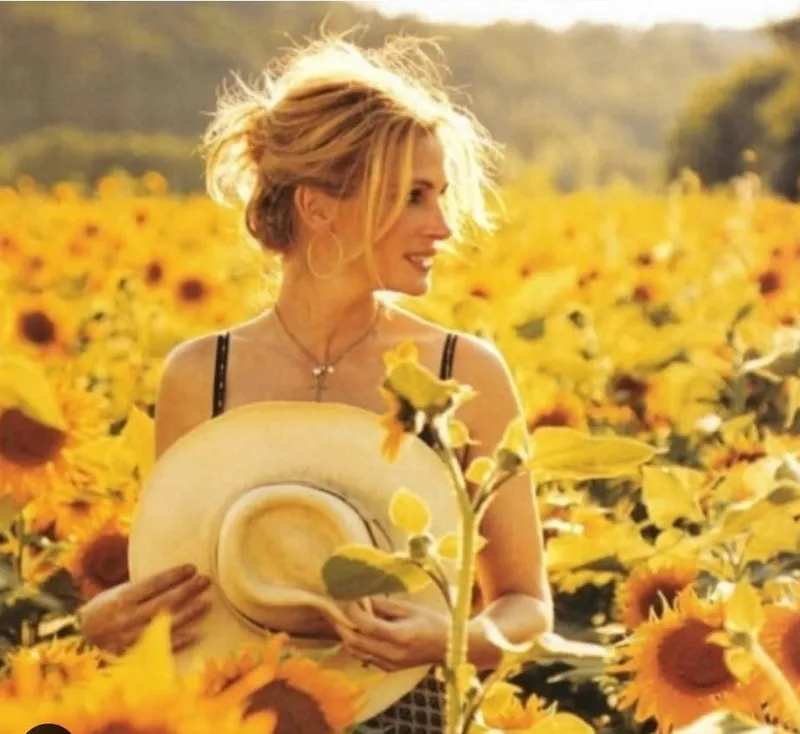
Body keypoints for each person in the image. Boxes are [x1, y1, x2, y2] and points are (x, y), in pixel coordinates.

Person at [76, 33, 553, 732]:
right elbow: (179, 593)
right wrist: (101, 620)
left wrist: (453, 637)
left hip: (411, 715)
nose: (443, 226)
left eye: (440, 195)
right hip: (236, 714)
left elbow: (528, 603)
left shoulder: (462, 372)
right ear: (319, 206)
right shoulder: (200, 376)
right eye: (413, 197)